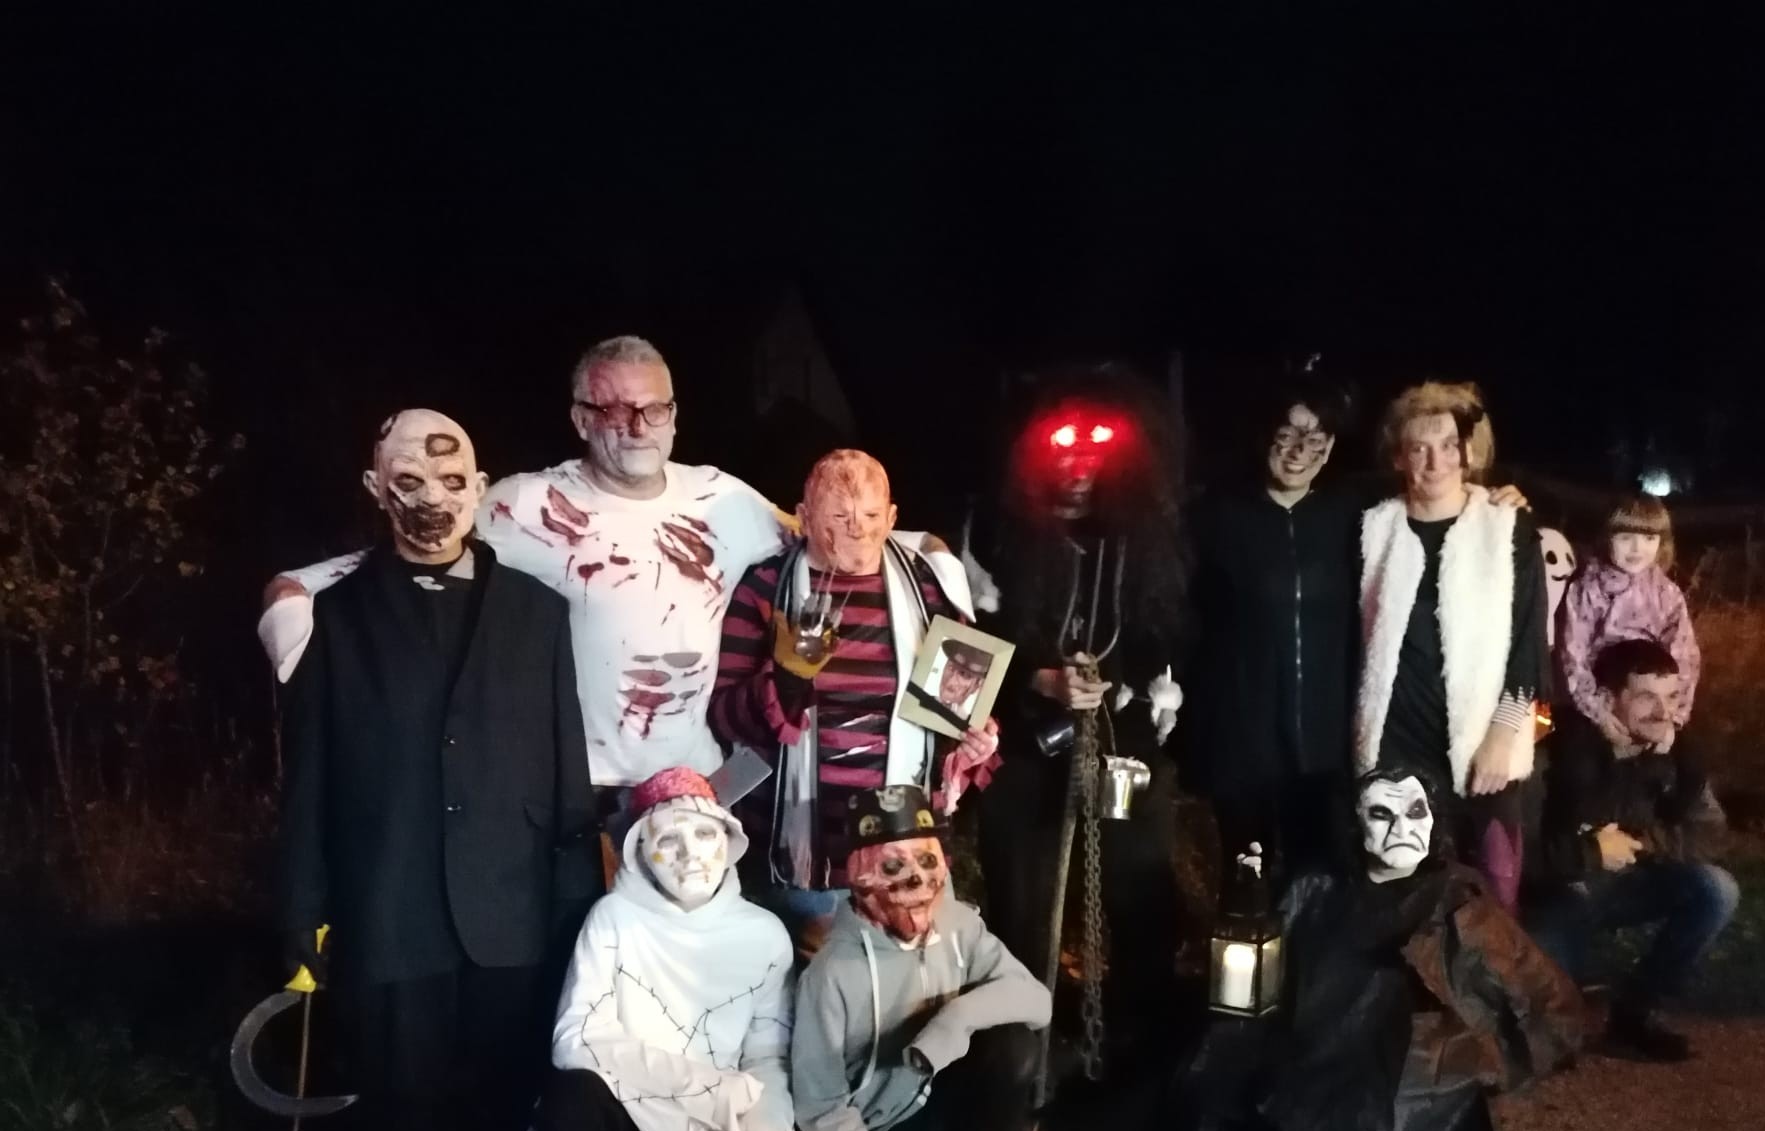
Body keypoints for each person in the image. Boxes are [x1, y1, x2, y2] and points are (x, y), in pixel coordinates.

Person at [257, 338, 973, 837]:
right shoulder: (526, 507)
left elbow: (827, 533)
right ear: (580, 418)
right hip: (581, 793)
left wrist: (931, 555)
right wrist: (295, 592)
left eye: (653, 409)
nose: (635, 427)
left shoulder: (724, 501)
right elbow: (418, 544)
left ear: (674, 415)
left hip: (701, 788)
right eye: (613, 410)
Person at [277, 410, 600, 1131]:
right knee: (396, 1081)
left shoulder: (539, 612)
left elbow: (567, 761)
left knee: (513, 1073)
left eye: (453, 482)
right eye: (409, 482)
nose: (433, 499)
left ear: (481, 489)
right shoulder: (335, 620)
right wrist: (301, 909)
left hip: (512, 893)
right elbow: (309, 777)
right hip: (389, 892)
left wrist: (575, 901)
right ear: (376, 490)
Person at [1170, 766, 1583, 1131]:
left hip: (1407, 1073)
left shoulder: (1457, 897)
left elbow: (1536, 993)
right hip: (1308, 1061)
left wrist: (1492, 1058)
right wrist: (1251, 899)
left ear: (1434, 820)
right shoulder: (1317, 886)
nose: (1402, 828)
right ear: (1355, 824)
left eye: (1416, 812)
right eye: (1382, 814)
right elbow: (1254, 976)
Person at [534, 767, 819, 1131]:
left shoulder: (764, 933)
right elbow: (573, 1040)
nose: (690, 854)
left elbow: (769, 1058)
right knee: (569, 1101)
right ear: (641, 850)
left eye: (703, 835)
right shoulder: (613, 920)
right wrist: (709, 1089)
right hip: (634, 1117)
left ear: (728, 840)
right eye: (669, 839)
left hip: (722, 1130)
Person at [975, 366, 1190, 1087]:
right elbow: (961, 644)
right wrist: (1036, 679)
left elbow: (1167, 639)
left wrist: (1125, 689)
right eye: (1062, 456)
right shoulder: (994, 536)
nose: (1077, 473)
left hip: (1123, 745)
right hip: (1022, 748)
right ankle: (1017, 1072)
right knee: (1023, 908)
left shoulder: (1147, 542)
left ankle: (1137, 1057)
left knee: (1139, 899)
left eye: (1095, 458)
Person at [709, 450, 997, 951]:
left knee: (911, 982)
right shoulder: (765, 588)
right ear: (804, 518)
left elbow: (955, 711)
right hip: (802, 855)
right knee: (814, 983)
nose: (857, 530)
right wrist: (785, 680)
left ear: (892, 518)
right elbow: (724, 718)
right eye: (839, 517)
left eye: (870, 515)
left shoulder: (928, 587)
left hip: (907, 843)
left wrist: (973, 739)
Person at [790, 787, 1050, 1131]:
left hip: (936, 1092)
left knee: (1013, 1045)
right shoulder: (831, 976)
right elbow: (820, 1109)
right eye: (892, 865)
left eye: (926, 861)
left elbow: (1035, 1000)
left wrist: (956, 1019)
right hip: (881, 1123)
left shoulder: (957, 925)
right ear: (861, 877)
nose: (914, 880)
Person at [1354, 382, 1548, 913]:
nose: (1434, 461)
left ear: (1468, 451)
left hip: (1484, 743)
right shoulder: (1374, 528)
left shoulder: (1508, 528)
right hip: (1398, 745)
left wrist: (1503, 736)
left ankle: (1484, 972)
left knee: (1491, 893)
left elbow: (1530, 642)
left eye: (1447, 445)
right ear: (1399, 456)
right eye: (1418, 447)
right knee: (1400, 891)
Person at [1185, 376, 1361, 886]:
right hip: (1242, 739)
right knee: (1247, 873)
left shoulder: (1349, 516)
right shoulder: (1214, 517)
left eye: (1315, 439)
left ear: (1330, 448)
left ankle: (1309, 941)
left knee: (1318, 875)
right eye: (1287, 435)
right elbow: (1176, 612)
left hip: (1324, 742)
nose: (1299, 451)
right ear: (1266, 437)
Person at [1530, 638, 1735, 1062]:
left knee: (1716, 889)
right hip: (1558, 886)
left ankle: (1636, 1015)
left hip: (1624, 884)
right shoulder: (1560, 748)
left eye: (1671, 697)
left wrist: (1640, 843)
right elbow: (1519, 851)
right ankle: (1550, 1018)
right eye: (1645, 698)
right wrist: (1590, 852)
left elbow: (1712, 833)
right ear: (1608, 699)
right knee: (1554, 1037)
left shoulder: (1675, 754)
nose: (1663, 712)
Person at [1557, 495, 1701, 742]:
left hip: (1653, 701)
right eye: (1625, 537)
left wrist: (1674, 718)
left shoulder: (1666, 594)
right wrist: (1598, 712)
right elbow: (1572, 654)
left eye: (1649, 538)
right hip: (1599, 701)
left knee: (1688, 758)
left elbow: (1684, 655)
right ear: (1607, 538)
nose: (1637, 548)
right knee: (1580, 759)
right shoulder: (1587, 589)